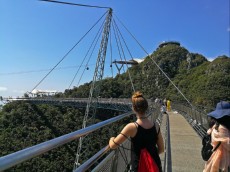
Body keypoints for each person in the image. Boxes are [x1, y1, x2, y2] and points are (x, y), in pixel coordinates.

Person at [109, 91, 164, 172]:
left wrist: (111, 138)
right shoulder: (156, 125)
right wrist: (150, 158)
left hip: (139, 167)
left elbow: (113, 145)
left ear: (133, 108)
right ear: (146, 107)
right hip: (155, 166)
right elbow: (161, 149)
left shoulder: (132, 127)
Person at [203, 101, 230, 172]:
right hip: (221, 160)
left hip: (215, 156)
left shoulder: (215, 124)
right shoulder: (222, 128)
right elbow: (228, 144)